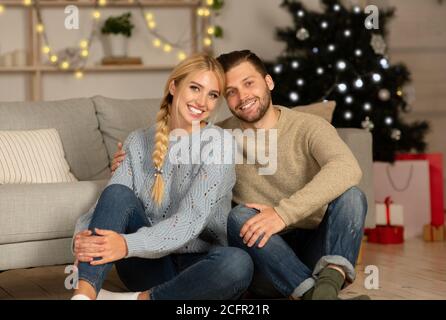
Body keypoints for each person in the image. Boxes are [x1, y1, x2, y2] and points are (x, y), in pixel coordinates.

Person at [112, 50, 369, 300]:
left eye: (249, 83)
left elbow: (347, 168)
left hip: (314, 246)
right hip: (261, 253)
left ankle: (323, 287)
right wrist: (132, 161)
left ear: (268, 82)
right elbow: (172, 157)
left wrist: (281, 214)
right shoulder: (217, 137)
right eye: (230, 92)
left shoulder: (308, 126)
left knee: (352, 196)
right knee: (239, 216)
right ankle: (321, 294)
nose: (242, 96)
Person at [71, 53, 253, 300]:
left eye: (212, 95)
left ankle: (139, 299)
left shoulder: (219, 144)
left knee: (238, 263)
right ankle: (84, 295)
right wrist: (82, 240)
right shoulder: (137, 141)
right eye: (195, 88)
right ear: (174, 86)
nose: (202, 101)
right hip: (146, 264)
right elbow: (113, 201)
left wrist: (125, 244)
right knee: (117, 192)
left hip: (198, 269)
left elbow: (189, 221)